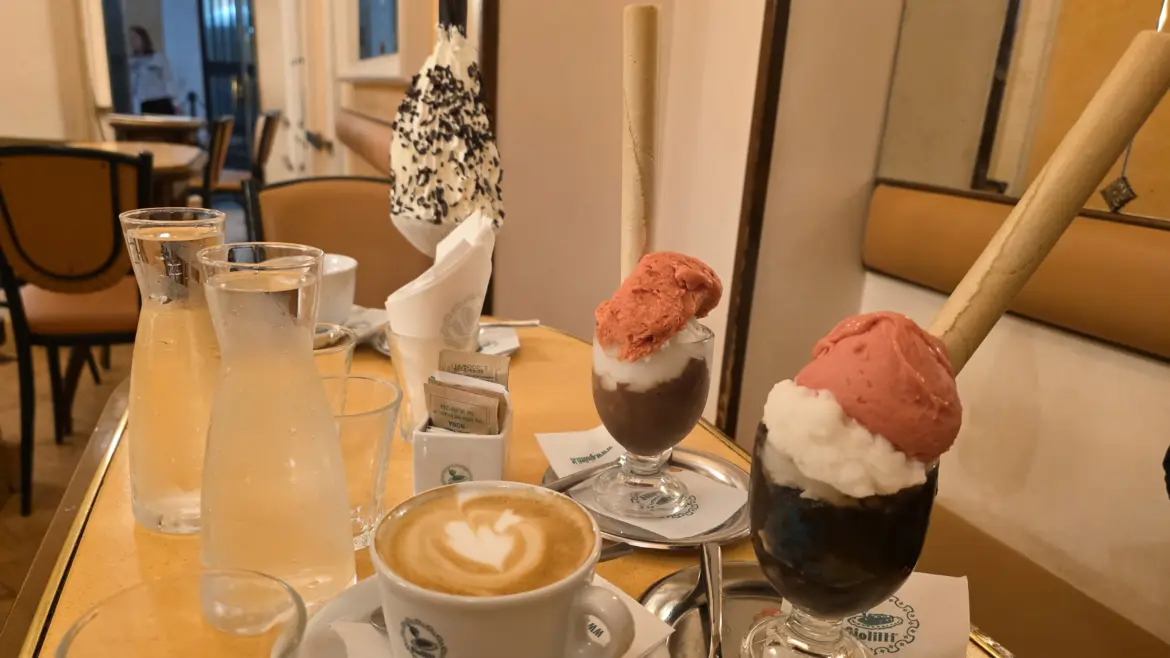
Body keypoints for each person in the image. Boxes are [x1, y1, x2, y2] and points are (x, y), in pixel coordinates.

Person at [128, 26, 178, 115]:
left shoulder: (157, 58)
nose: (133, 41)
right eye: (131, 38)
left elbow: (168, 79)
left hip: (161, 100)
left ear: (143, 39)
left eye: (136, 37)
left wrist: (175, 102)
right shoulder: (132, 62)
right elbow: (132, 87)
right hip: (145, 102)